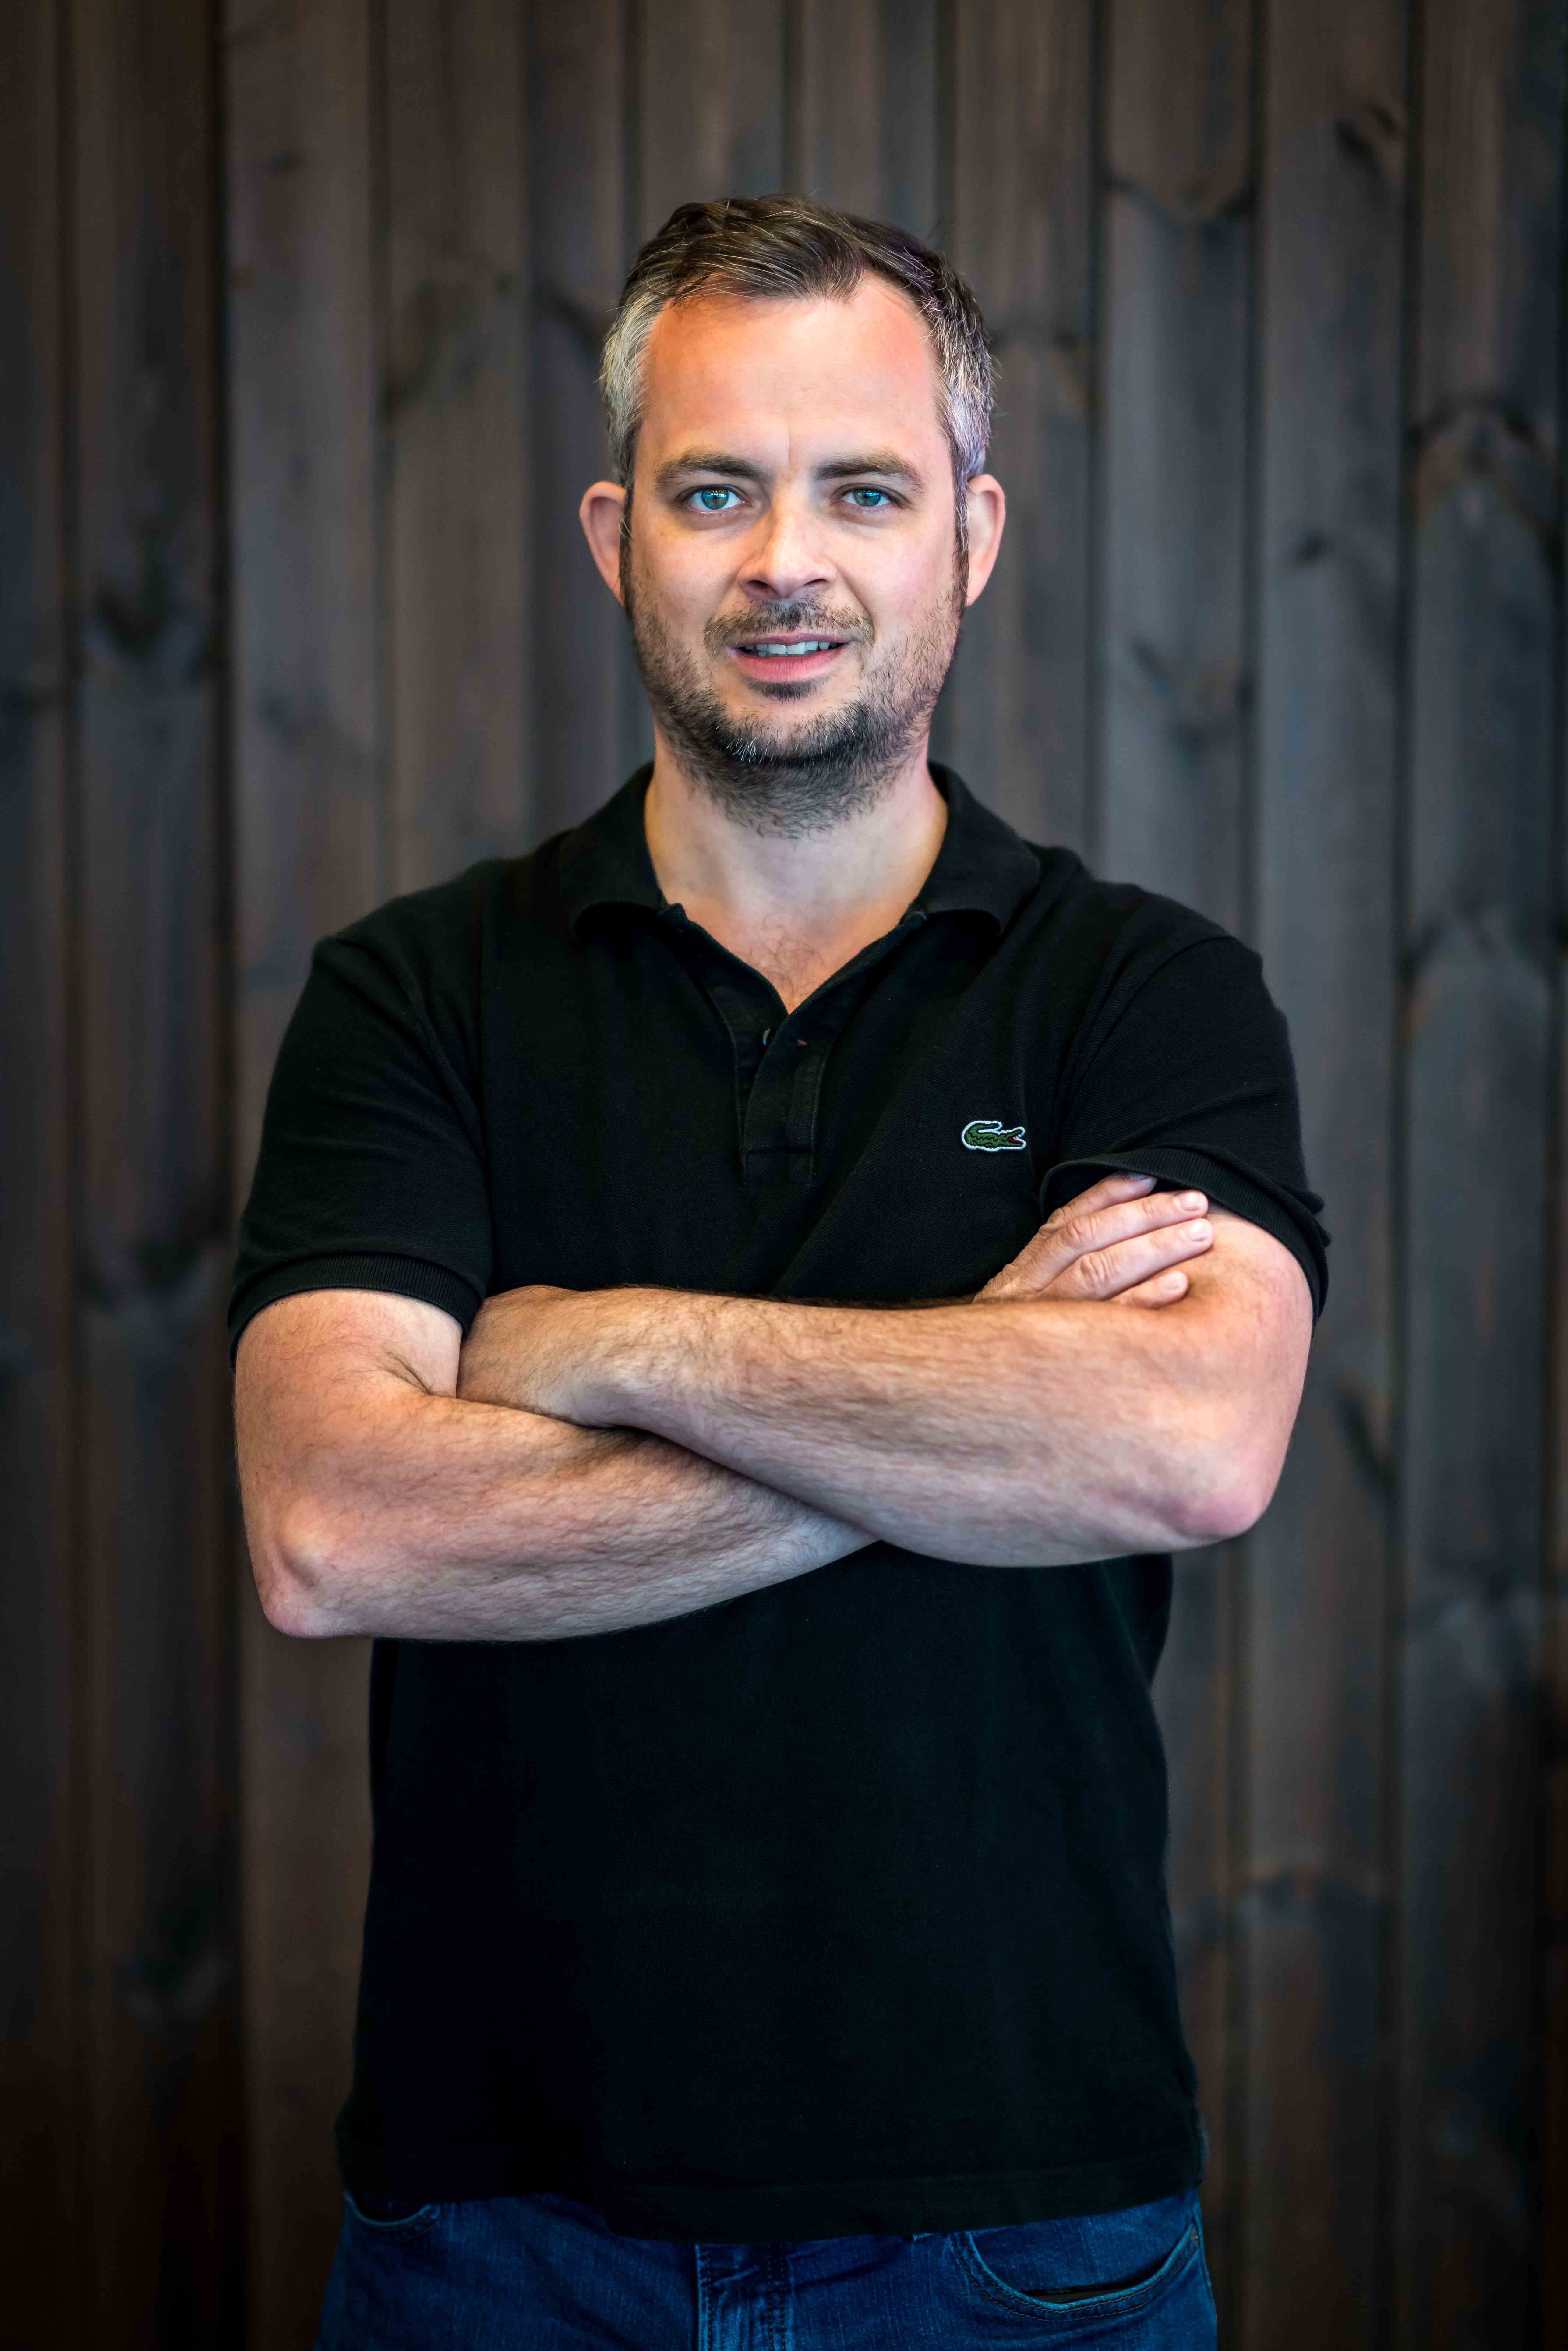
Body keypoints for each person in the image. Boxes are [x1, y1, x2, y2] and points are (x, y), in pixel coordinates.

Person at [232, 196, 1324, 2350]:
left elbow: (1190, 1443)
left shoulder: (1149, 999)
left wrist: (602, 1344)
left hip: (1026, 2232)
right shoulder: (418, 998)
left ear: (975, 534)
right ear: (613, 531)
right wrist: (982, 1400)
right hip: (496, 2230)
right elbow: (335, 1521)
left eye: (865, 491)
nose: (784, 561)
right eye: (718, 490)